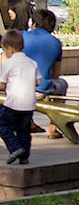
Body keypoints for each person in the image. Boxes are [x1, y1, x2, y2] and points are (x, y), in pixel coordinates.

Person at [0, 30, 40, 165]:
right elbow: (38, 82)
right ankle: (24, 156)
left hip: (13, 102)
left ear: (9, 48)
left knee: (3, 125)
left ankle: (15, 148)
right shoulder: (32, 63)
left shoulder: (9, 63)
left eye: (5, 51)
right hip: (29, 103)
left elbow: (2, 85)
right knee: (24, 131)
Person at [23, 8, 68, 138]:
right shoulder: (56, 43)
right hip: (40, 89)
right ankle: (53, 127)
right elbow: (55, 75)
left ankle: (29, 122)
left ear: (33, 23)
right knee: (61, 84)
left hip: (17, 87)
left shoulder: (21, 36)